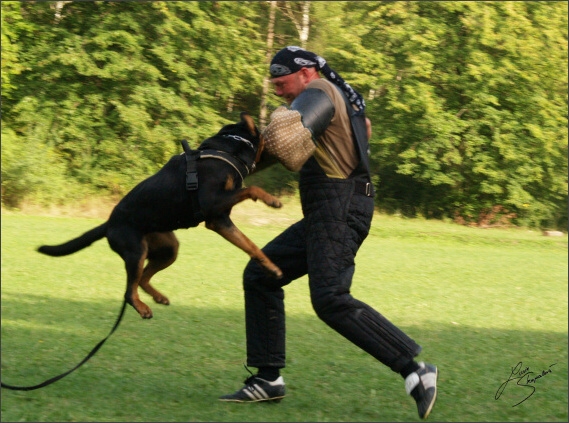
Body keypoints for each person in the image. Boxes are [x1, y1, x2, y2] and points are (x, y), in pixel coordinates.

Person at [219, 46, 438, 420]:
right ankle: (268, 378)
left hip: (340, 209)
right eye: (274, 87)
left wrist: (266, 133)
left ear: (305, 74)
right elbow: (289, 146)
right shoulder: (335, 97)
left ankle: (415, 370)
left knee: (330, 297)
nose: (280, 93)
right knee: (261, 274)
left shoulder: (318, 93)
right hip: (329, 211)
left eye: (283, 84)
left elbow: (287, 140)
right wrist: (223, 170)